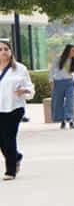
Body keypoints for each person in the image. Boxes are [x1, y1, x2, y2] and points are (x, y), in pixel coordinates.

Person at [0, 40, 33, 179]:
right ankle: (16, 156)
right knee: (2, 140)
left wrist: (24, 90)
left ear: (11, 51)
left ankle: (10, 170)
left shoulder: (20, 68)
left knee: (9, 138)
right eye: (0, 49)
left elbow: (30, 87)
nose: (3, 52)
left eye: (6, 49)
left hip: (14, 108)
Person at [49, 44, 74, 129]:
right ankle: (62, 120)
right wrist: (51, 82)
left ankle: (70, 119)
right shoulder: (58, 59)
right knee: (58, 102)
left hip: (70, 83)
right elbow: (51, 70)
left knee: (70, 101)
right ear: (67, 50)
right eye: (72, 50)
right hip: (58, 82)